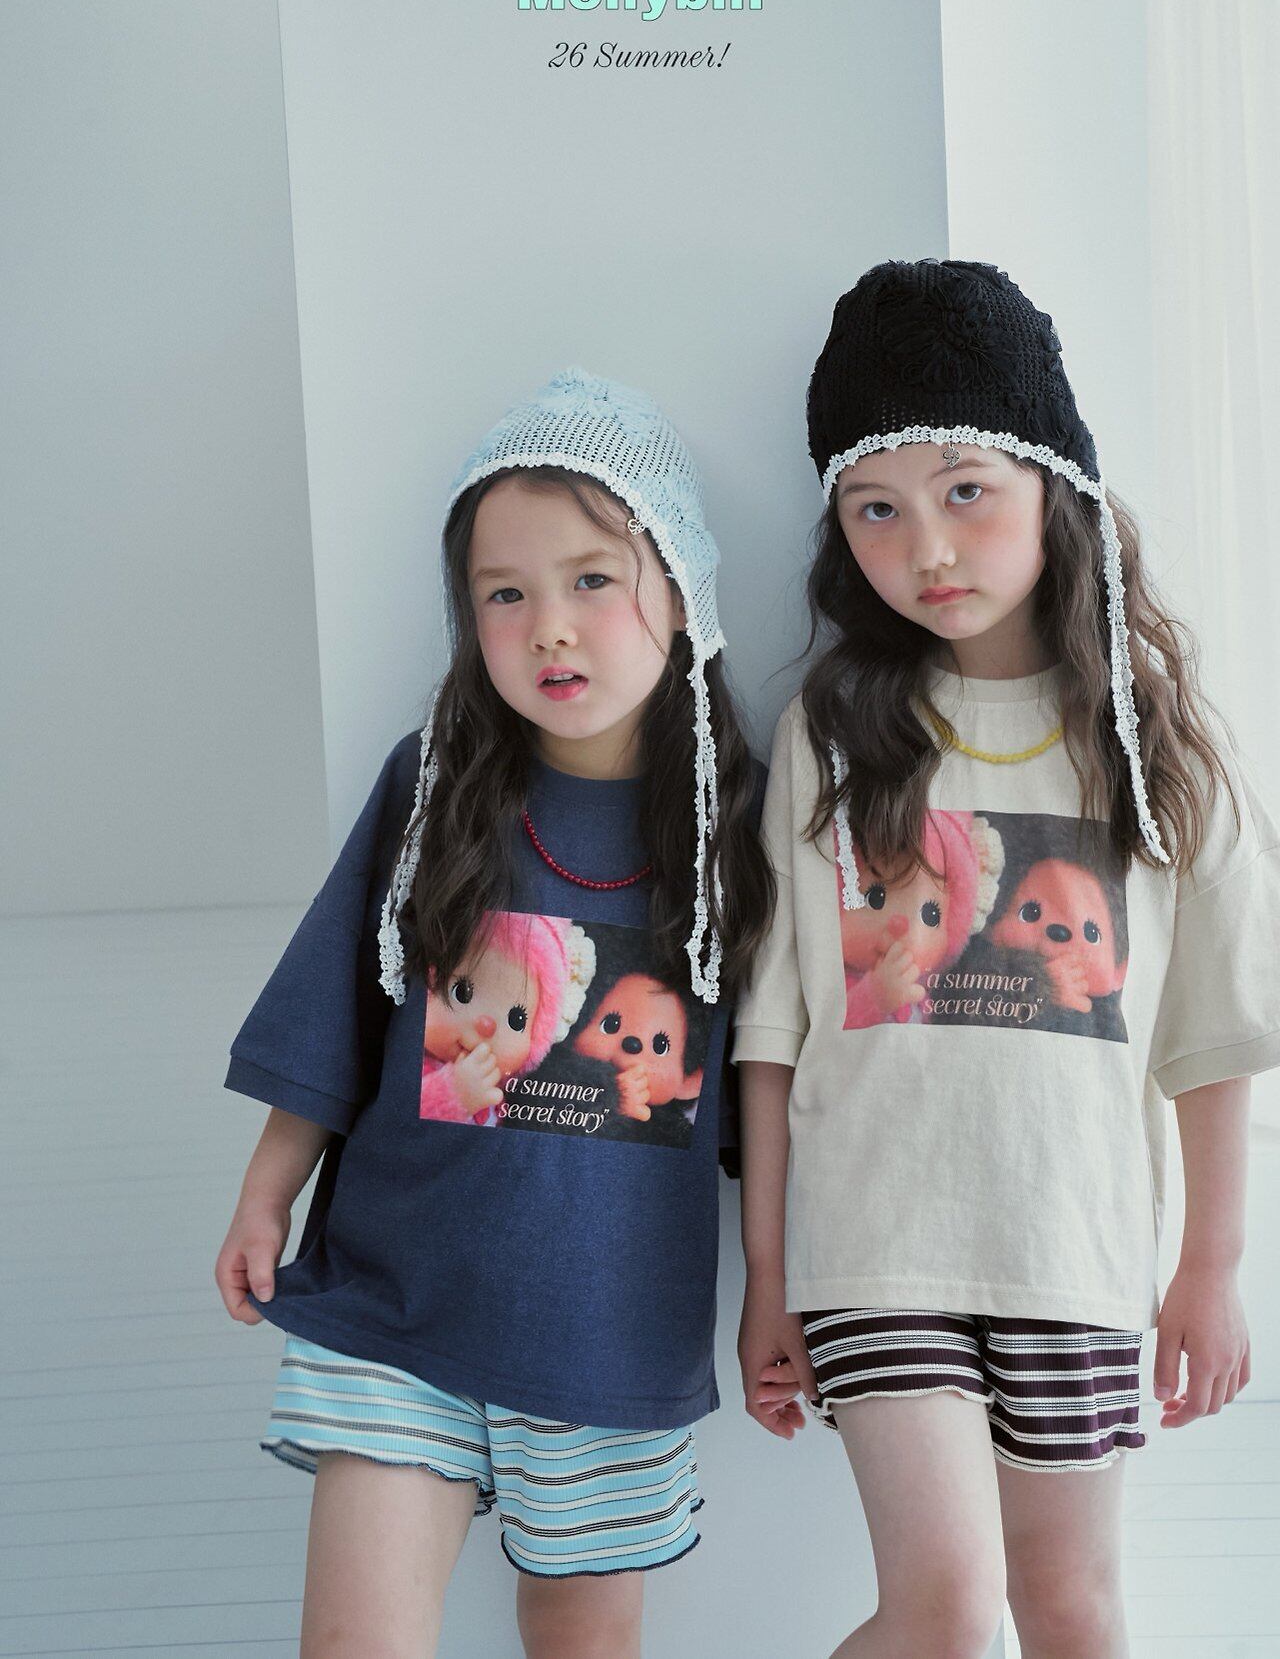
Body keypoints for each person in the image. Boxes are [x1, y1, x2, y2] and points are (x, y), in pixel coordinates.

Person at [733, 261, 1280, 1659]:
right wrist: (767, 1274)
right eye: (876, 508)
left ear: (1055, 486)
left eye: (965, 490)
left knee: (1074, 1611)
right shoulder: (834, 736)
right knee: (946, 1611)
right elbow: (775, 1034)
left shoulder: (1155, 745)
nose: (927, 548)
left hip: (1074, 1250)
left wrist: (1211, 1267)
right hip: (876, 1248)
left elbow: (1214, 1033)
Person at [214, 367, 773, 1659]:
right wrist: (264, 1196)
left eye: (592, 579)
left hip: (609, 1336)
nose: (550, 629)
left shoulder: (739, 826)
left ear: (681, 586)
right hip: (394, 1301)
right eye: (504, 594)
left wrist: (786, 1291)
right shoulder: (435, 785)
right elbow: (338, 1010)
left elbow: (777, 1088)